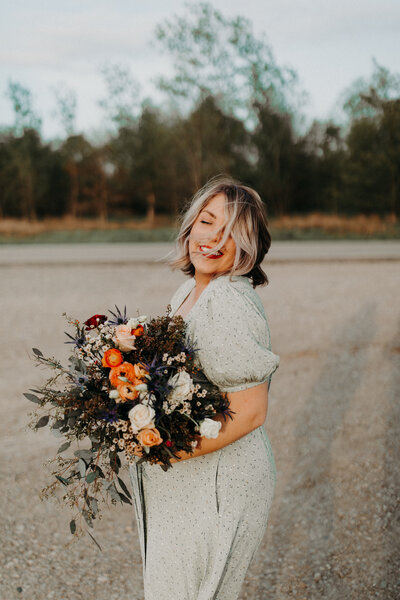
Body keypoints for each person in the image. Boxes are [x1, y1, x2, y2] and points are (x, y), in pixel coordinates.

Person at [129, 175, 280, 600]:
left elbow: (251, 410)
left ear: (248, 247)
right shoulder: (189, 291)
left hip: (220, 482)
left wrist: (166, 447)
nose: (214, 238)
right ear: (189, 226)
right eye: (207, 222)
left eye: (232, 232)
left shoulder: (229, 301)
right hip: (187, 479)